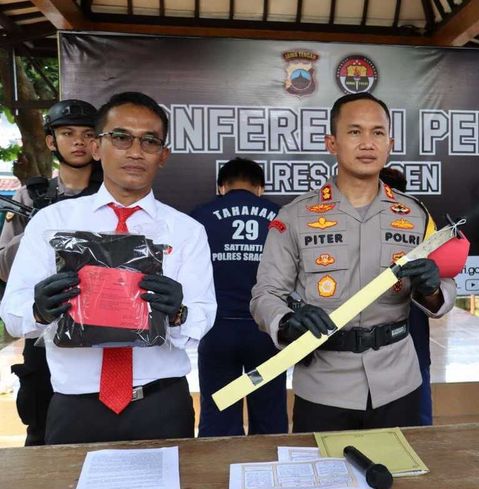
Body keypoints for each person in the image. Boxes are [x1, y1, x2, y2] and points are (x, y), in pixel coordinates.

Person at [0, 91, 217, 444]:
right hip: (75, 406)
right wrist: (38, 309)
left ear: (163, 155)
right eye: (120, 137)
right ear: (98, 147)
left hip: (161, 405)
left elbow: (202, 320)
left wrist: (177, 313)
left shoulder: (187, 232)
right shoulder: (51, 223)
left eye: (149, 141)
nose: (135, 151)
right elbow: (12, 315)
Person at [250, 92, 456, 432]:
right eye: (354, 132)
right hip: (324, 385)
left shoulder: (416, 215)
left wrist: (433, 288)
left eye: (377, 133)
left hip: (397, 383)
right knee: (326, 482)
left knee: (400, 480)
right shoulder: (296, 216)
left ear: (390, 143)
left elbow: (444, 289)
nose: (367, 143)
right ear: (332, 142)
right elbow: (265, 295)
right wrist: (287, 321)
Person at [0, 99, 102, 446]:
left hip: (100, 330)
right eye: (67, 133)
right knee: (43, 429)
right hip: (45, 329)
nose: (78, 142)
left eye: (88, 134)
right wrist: (40, 236)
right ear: (50, 141)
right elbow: (4, 267)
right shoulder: (32, 196)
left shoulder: (112, 195)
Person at [190, 158, 288, 436]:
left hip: (217, 330)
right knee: (269, 414)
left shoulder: (200, 215)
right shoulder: (280, 216)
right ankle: (270, 474)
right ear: (260, 188)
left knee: (219, 414)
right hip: (266, 330)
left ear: (221, 187)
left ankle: (220, 477)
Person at [379, 166, 434, 425]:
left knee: (416, 413)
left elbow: (439, 280)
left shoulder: (419, 221)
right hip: (375, 333)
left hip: (411, 323)